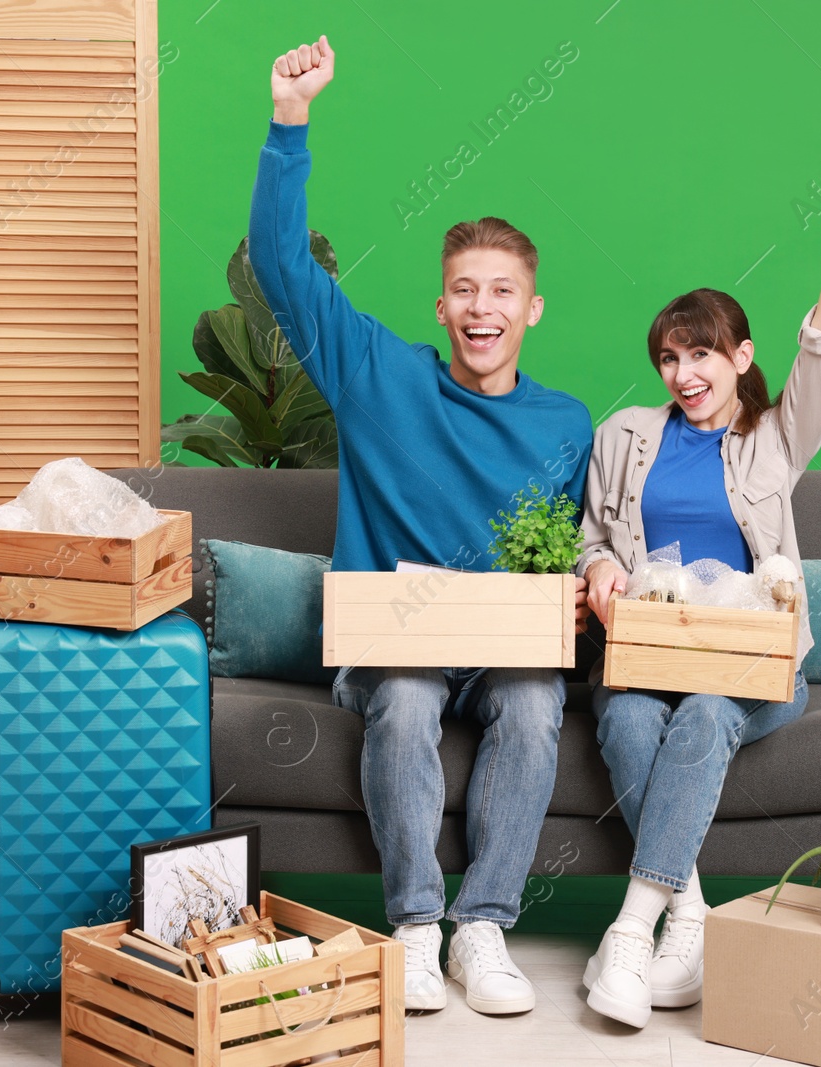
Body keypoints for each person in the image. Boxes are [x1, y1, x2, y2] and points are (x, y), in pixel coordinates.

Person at [250, 36, 594, 1017]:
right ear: (439, 304)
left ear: (530, 307)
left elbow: (558, 542)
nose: (481, 308)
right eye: (464, 290)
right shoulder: (379, 378)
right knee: (400, 698)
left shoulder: (563, 421)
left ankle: (482, 925)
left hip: (501, 649)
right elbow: (280, 264)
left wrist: (571, 582)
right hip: (394, 637)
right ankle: (413, 927)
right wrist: (289, 119)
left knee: (533, 706)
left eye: (501, 292)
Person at [576, 122, 821, 1028]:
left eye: (701, 354)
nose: (683, 373)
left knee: (707, 714)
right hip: (644, 653)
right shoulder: (625, 436)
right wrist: (598, 574)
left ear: (741, 359)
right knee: (629, 715)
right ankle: (692, 917)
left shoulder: (774, 438)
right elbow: (596, 537)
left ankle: (632, 929)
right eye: (670, 358)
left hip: (751, 669)